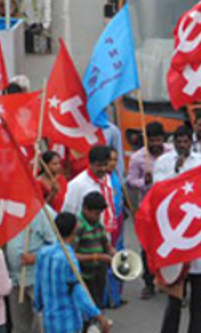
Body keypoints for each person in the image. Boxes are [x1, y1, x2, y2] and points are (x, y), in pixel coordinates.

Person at [155, 126, 201, 333]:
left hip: (195, 232)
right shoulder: (163, 162)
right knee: (175, 295)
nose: (182, 145)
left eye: (186, 141)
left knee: (198, 296)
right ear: (174, 142)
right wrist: (176, 171)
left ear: (191, 142)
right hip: (174, 231)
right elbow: (158, 189)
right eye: (179, 141)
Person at [34, 212, 111, 333]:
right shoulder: (68, 259)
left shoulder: (43, 253)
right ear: (74, 230)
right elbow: (78, 292)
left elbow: (38, 284)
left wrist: (38, 306)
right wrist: (98, 316)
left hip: (49, 320)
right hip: (67, 322)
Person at [125, 122, 171, 299]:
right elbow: (130, 180)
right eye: (151, 140)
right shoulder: (138, 158)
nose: (155, 144)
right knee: (148, 246)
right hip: (148, 207)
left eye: (158, 140)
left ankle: (169, 282)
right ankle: (149, 283)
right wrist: (143, 182)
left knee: (169, 245)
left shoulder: (171, 153)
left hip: (168, 207)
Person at [5, 209, 56, 333]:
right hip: (15, 279)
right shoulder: (6, 212)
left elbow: (55, 246)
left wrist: (35, 257)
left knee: (41, 324)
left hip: (36, 279)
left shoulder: (40, 214)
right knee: (19, 325)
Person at [73, 192, 115, 308]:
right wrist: (97, 257)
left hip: (98, 273)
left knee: (98, 304)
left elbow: (106, 245)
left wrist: (115, 255)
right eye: (96, 214)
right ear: (85, 209)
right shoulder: (78, 227)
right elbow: (70, 255)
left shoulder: (97, 224)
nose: (98, 217)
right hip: (84, 276)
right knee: (87, 307)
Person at [62, 145, 112, 216]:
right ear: (90, 164)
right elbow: (67, 213)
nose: (103, 169)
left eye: (105, 165)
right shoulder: (77, 184)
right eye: (99, 166)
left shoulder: (107, 178)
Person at [103, 148, 125, 308]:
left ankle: (116, 296)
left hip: (119, 220)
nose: (113, 163)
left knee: (119, 257)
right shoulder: (101, 179)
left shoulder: (115, 176)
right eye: (110, 160)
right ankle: (107, 298)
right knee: (109, 258)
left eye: (115, 160)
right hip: (108, 223)